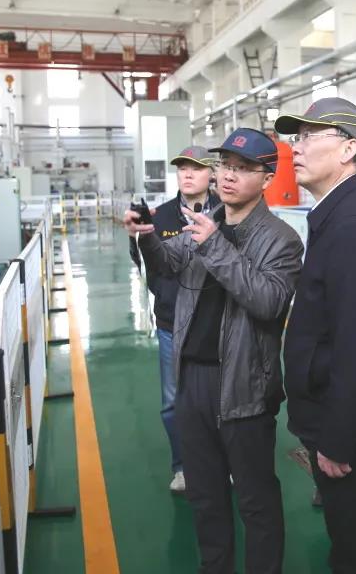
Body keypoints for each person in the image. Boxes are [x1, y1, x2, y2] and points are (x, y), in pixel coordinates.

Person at [125, 128, 304, 574]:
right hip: (193, 379)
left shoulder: (281, 239)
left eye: (242, 168)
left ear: (267, 179)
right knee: (205, 496)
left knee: (255, 500)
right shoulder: (207, 221)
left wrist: (215, 245)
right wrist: (146, 236)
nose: (228, 175)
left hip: (244, 384)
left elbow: (268, 301)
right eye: (225, 165)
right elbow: (167, 262)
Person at [275, 98, 356, 574]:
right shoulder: (343, 213)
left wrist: (337, 438)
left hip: (352, 428)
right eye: (296, 138)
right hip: (347, 417)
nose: (296, 148)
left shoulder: (354, 224)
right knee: (353, 543)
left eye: (310, 136)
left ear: (350, 149)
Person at [127, 145, 219, 492]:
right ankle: (183, 466)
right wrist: (137, 236)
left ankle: (220, 462)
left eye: (196, 168)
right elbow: (146, 264)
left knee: (219, 398)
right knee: (173, 400)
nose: (188, 174)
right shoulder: (161, 216)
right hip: (171, 323)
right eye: (182, 168)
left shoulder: (225, 213)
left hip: (215, 323)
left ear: (211, 174)